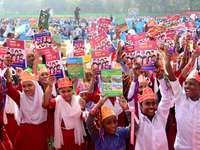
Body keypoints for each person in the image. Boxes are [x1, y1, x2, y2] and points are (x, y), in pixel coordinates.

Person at [5, 60, 48, 150]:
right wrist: (7, 68)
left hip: (40, 136)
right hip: (24, 139)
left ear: (36, 86)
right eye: (24, 86)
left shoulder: (44, 100)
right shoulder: (21, 98)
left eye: (29, 85)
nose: (26, 89)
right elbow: (9, 87)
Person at [43, 77, 86, 150]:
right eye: (63, 91)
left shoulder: (78, 99)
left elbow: (84, 118)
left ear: (72, 90)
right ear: (59, 92)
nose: (66, 94)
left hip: (78, 135)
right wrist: (49, 87)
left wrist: (83, 108)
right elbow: (46, 105)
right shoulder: (56, 101)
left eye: (69, 91)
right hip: (63, 137)